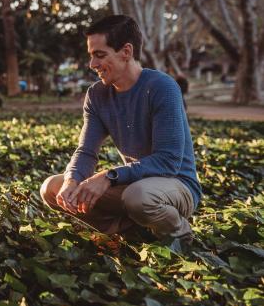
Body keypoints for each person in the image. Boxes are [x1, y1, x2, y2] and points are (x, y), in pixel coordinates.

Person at [40, 15, 201, 242]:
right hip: (136, 185)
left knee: (139, 197)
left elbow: (168, 161)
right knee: (53, 187)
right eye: (91, 56)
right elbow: (86, 151)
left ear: (126, 52)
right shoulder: (97, 95)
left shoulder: (161, 87)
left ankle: (180, 236)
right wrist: (71, 180)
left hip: (177, 185)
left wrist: (110, 176)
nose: (92, 65)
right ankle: (129, 232)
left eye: (100, 55)